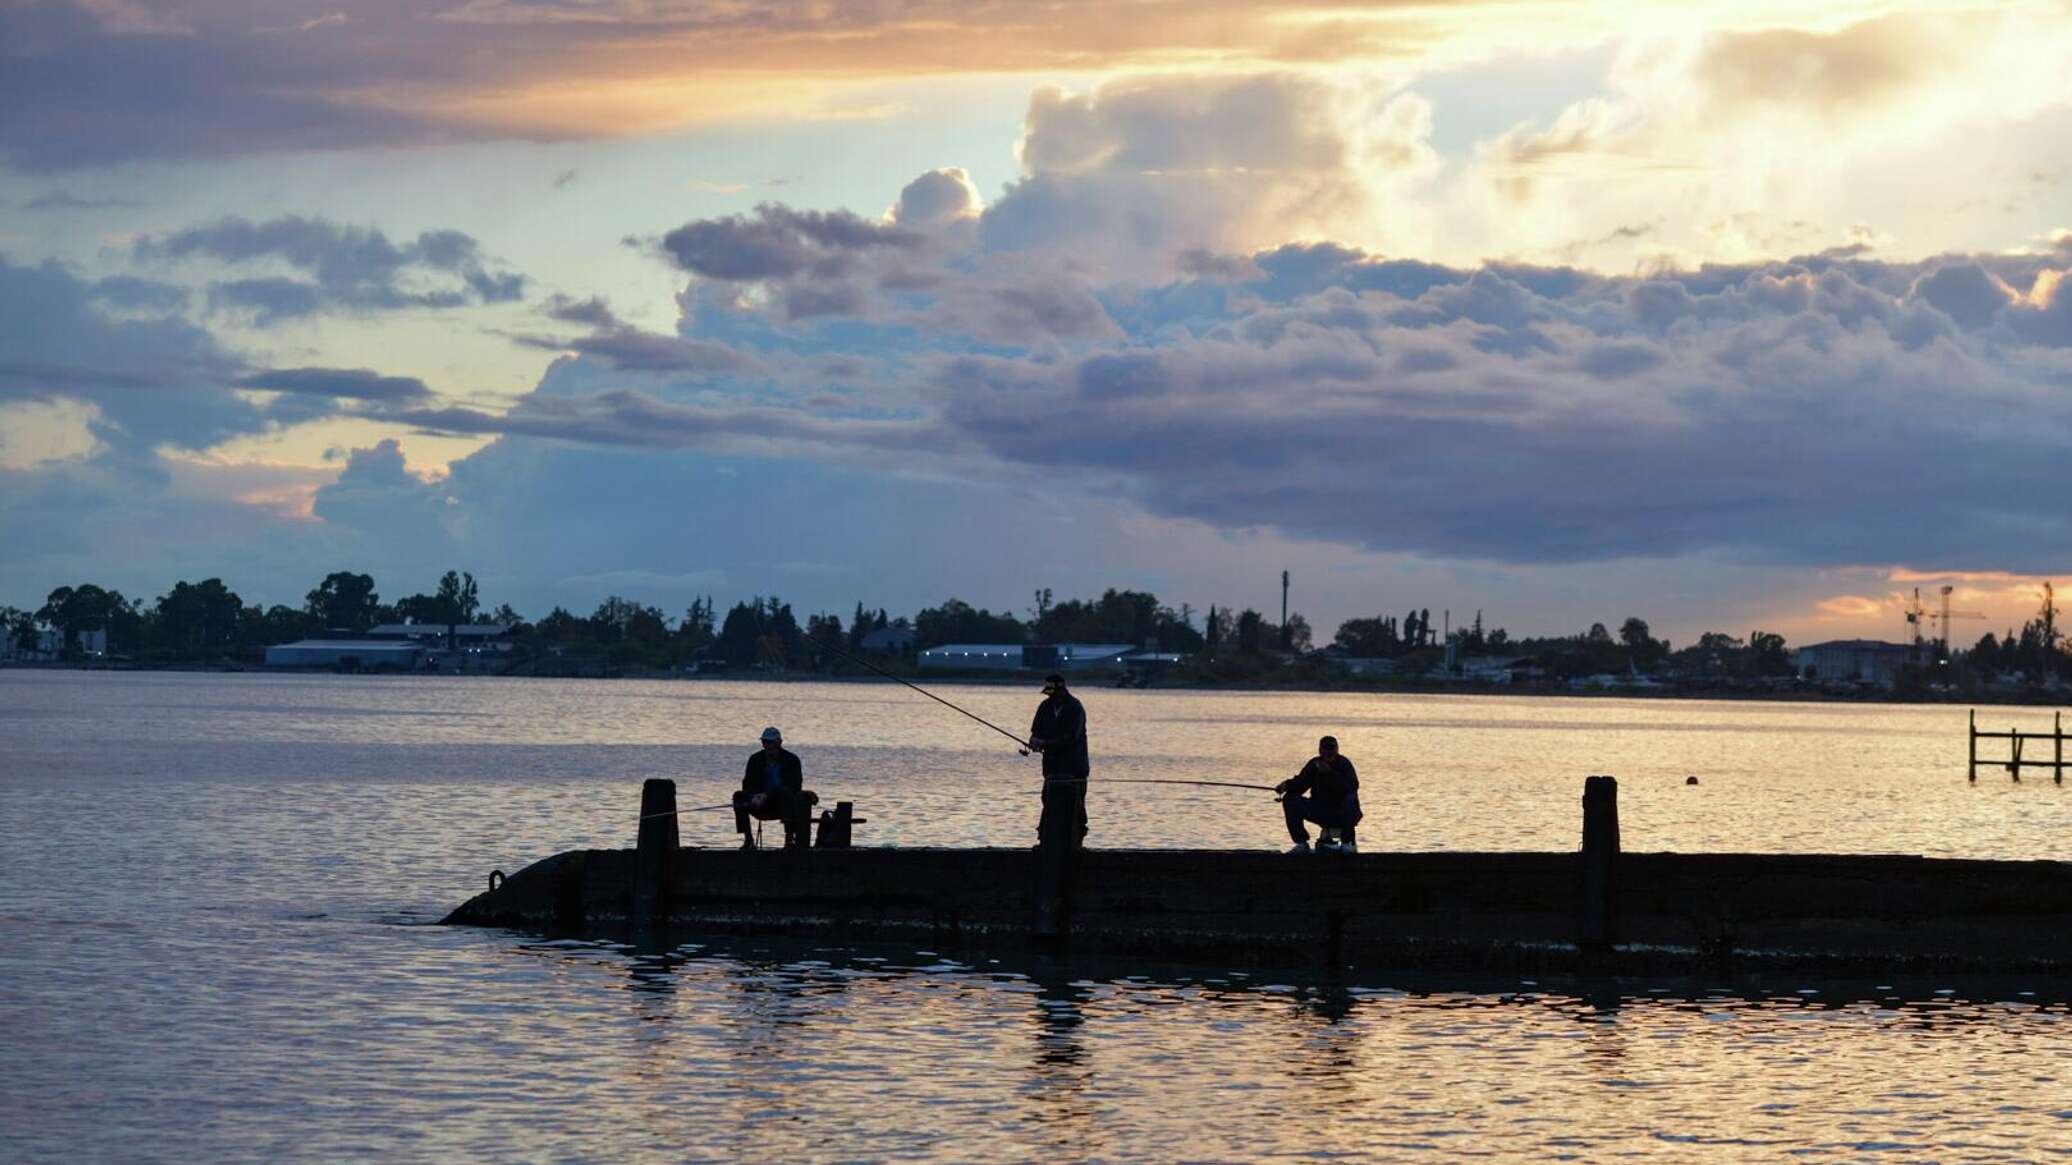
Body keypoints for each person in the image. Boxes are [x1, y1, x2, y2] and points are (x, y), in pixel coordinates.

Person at [1027, 673, 1089, 846]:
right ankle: (1046, 840)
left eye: (1053, 693)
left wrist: (1045, 743)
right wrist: (1034, 741)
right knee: (1048, 804)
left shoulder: (1075, 708)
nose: (1051, 697)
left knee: (1075, 810)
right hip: (1051, 769)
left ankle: (1076, 843)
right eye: (1049, 693)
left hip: (1074, 769)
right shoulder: (1044, 707)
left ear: (1062, 690)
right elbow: (1035, 731)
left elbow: (1072, 738)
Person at [1277, 735, 1362, 853]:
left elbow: (1352, 786)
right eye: (1326, 749)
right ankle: (1302, 843)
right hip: (1319, 810)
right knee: (1290, 799)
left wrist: (1330, 774)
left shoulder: (1344, 764)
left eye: (1331, 748)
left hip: (1341, 813)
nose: (1329, 752)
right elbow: (1300, 785)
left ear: (1337, 749)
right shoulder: (1314, 764)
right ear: (1320, 750)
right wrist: (1286, 785)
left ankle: (1347, 843)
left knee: (1350, 798)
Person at [734, 726, 815, 849]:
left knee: (782, 791)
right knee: (738, 796)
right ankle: (748, 839)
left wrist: (767, 795)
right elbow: (747, 784)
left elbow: (795, 786)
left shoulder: (792, 760)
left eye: (771, 742)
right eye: (765, 742)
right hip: (759, 802)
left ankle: (789, 839)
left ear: (779, 743)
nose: (768, 746)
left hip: (783, 802)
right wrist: (753, 796)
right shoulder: (755, 759)